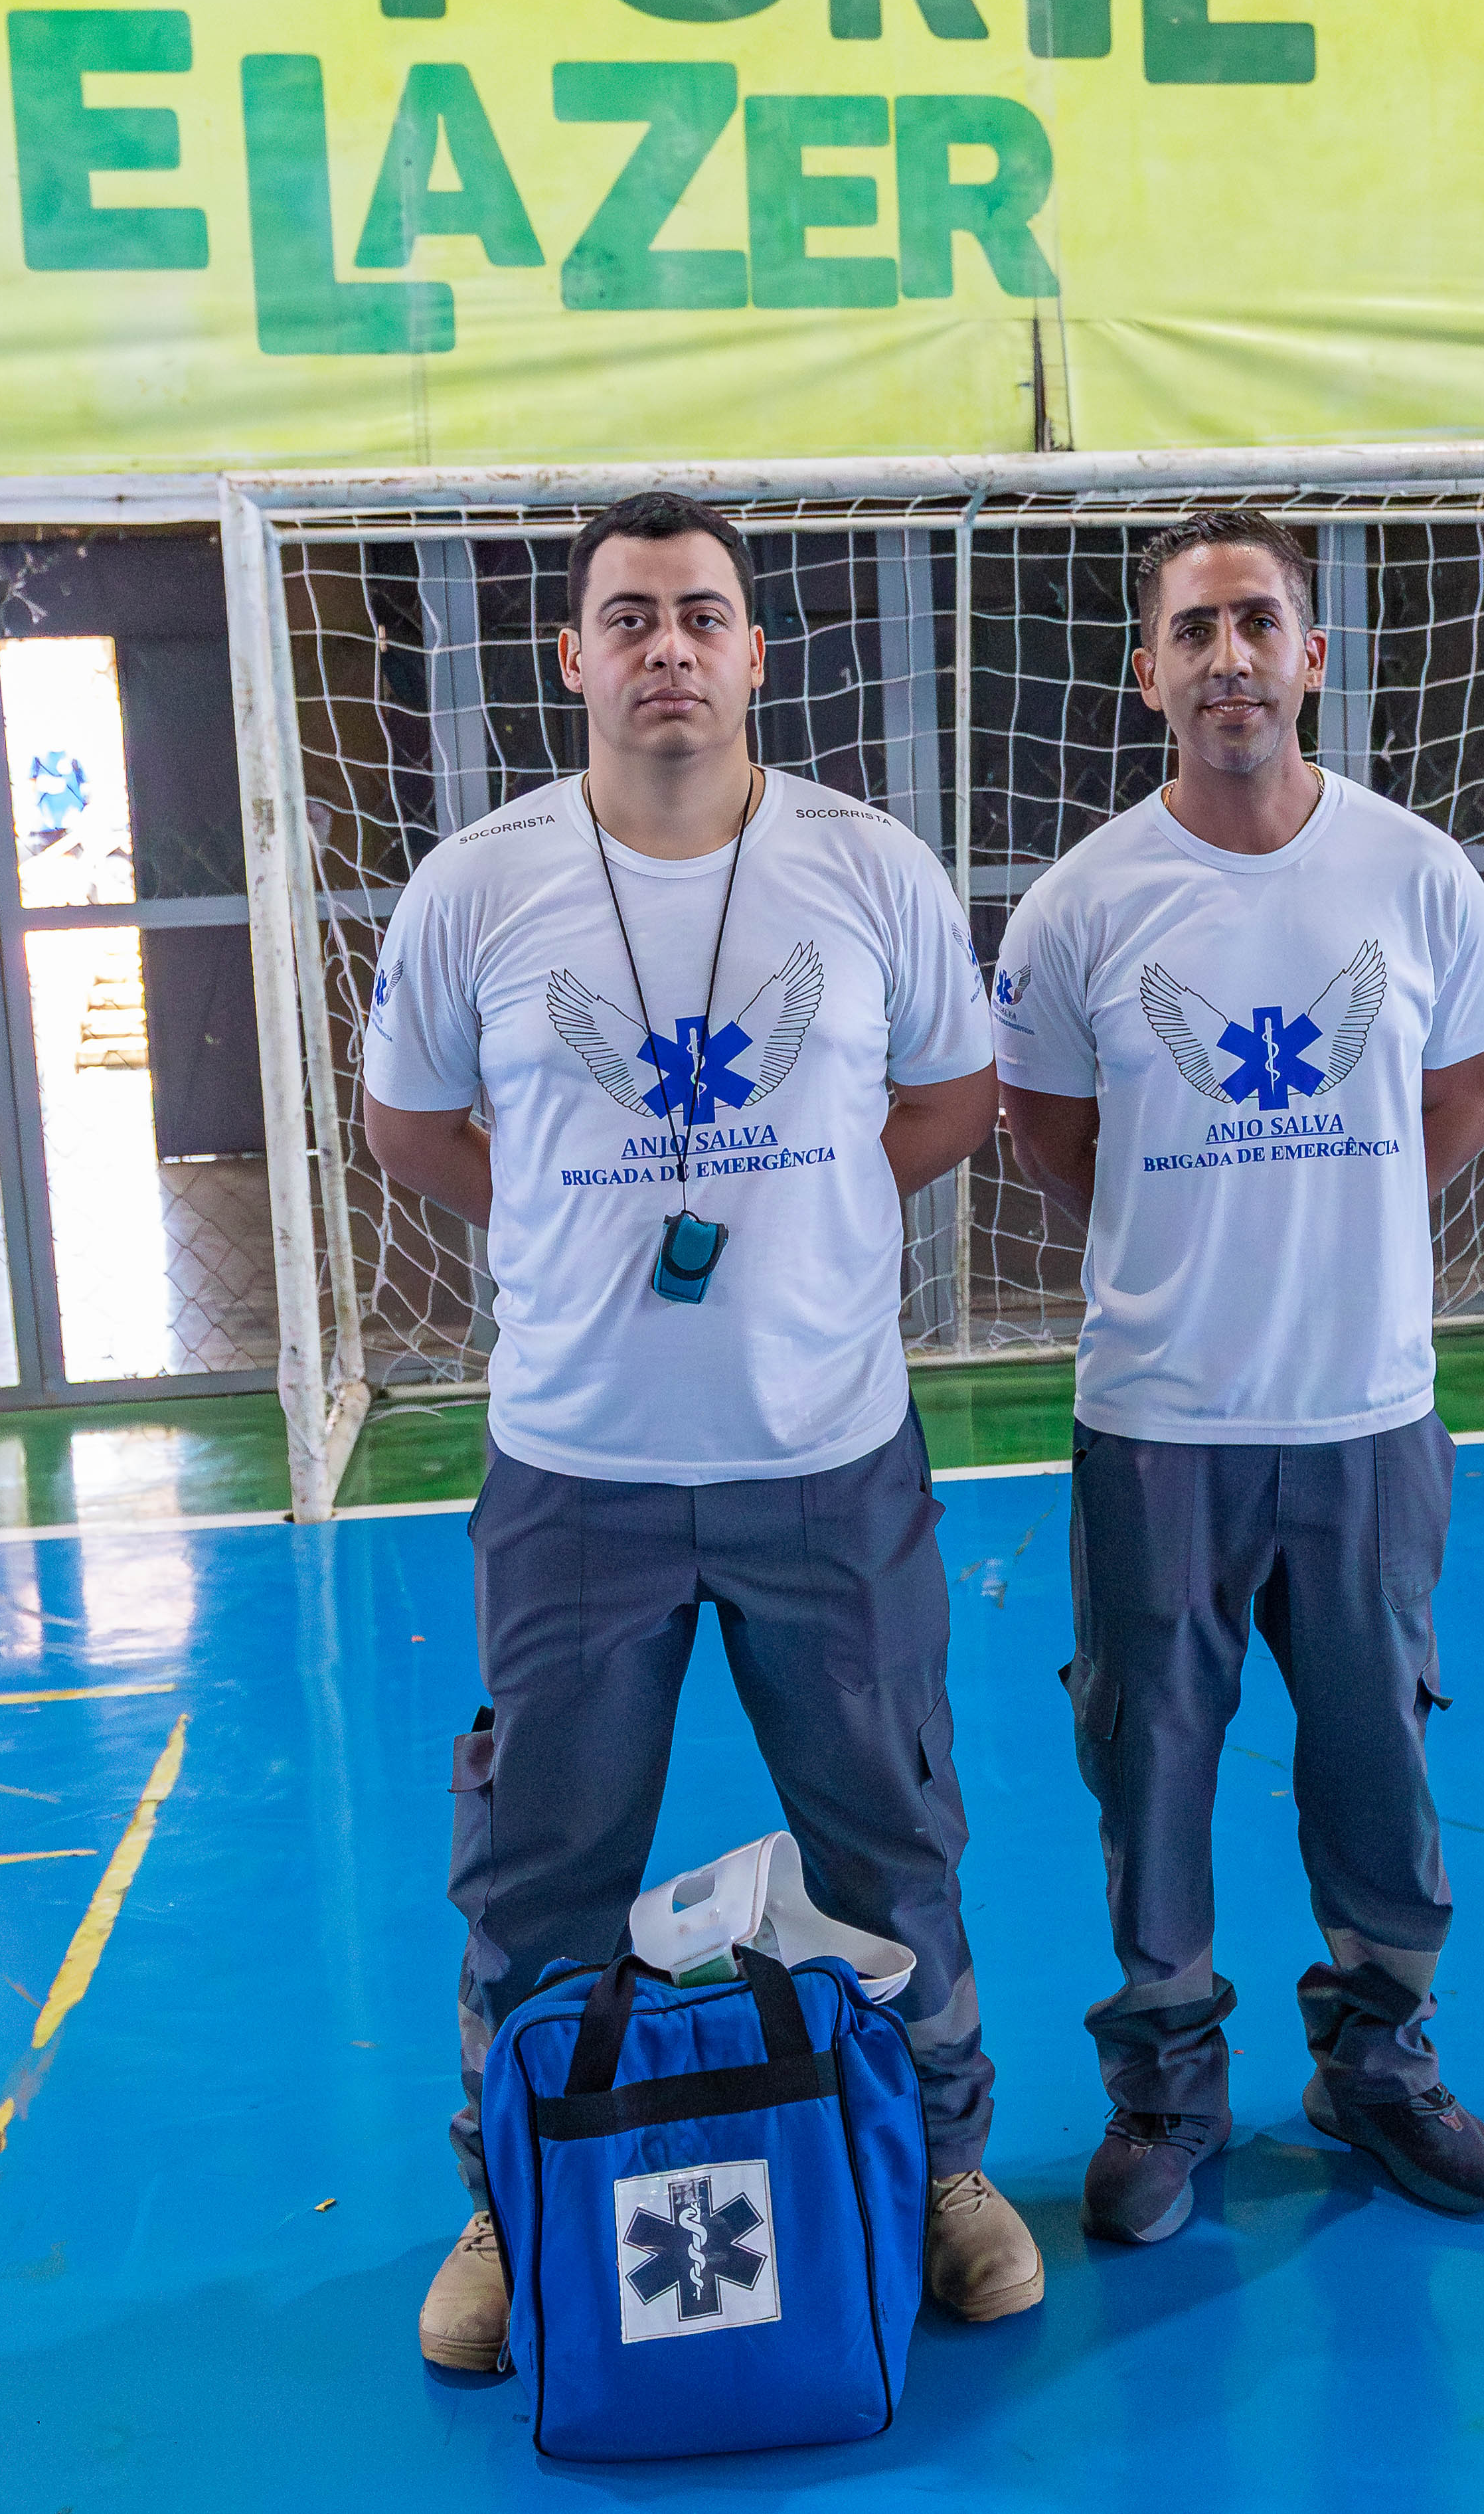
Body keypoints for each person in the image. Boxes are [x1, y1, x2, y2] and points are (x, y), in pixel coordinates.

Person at [359, 489, 1042, 2373]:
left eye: (702, 615)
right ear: (570, 658)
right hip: (575, 1468)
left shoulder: (869, 868)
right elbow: (411, 1124)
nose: (668, 645)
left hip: (826, 1458)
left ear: (755, 653)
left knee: (890, 1834)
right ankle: (512, 2200)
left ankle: (945, 2168)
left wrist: (807, 1223)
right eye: (629, 616)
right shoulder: (478, 886)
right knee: (539, 1867)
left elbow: (955, 1096)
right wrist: (561, 1228)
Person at [993, 507, 1484, 2247]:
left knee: (1378, 1765)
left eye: (1258, 622)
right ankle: (1166, 2090)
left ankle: (1379, 2062)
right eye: (1194, 629)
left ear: (1312, 654)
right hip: (1161, 1423)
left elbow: (1462, 1097)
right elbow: (1054, 1134)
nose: (1228, 656)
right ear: (1148, 672)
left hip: (1368, 1414)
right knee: (1149, 1771)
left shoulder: (1416, 875)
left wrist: (1327, 1224)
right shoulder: (1081, 904)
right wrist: (1209, 1237)